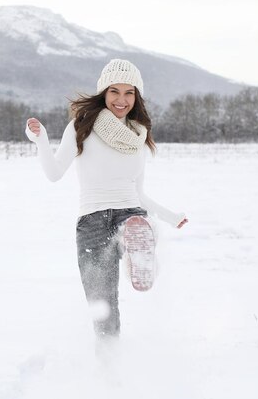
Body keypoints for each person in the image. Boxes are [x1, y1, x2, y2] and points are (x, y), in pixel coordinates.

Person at [24, 58, 188, 340]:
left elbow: (139, 193)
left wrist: (172, 218)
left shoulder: (138, 135)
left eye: (129, 92)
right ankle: (109, 368)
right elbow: (54, 173)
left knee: (136, 229)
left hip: (130, 212)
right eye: (115, 91)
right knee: (103, 311)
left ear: (137, 97)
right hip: (92, 223)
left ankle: (139, 250)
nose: (122, 100)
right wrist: (40, 140)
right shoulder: (81, 126)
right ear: (103, 92)